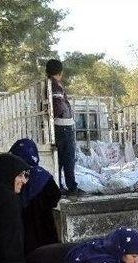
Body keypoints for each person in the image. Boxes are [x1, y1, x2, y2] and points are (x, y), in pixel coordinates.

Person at [9, 138, 62, 254]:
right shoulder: (42, 175)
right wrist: (45, 206)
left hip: (24, 230)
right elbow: (56, 194)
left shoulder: (15, 176)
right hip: (45, 227)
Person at [46, 59, 80, 195]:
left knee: (58, 160)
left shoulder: (47, 84)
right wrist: (63, 115)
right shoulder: (56, 85)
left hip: (58, 127)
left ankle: (59, 187)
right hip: (64, 127)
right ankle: (72, 188)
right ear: (60, 73)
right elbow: (58, 105)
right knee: (68, 159)